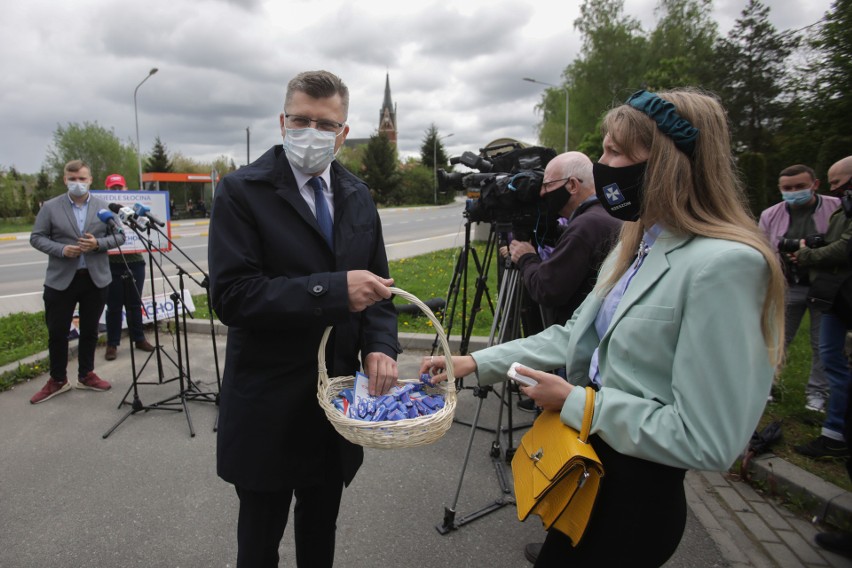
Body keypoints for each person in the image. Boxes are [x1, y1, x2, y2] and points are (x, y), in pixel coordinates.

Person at [421, 89, 785, 567]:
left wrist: (576, 401)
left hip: (634, 500)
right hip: (584, 472)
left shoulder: (726, 265)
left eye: (615, 152)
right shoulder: (634, 243)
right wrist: (472, 362)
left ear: (667, 163)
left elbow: (709, 439)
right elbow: (572, 336)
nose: (601, 164)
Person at [208, 70, 399, 568]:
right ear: (282, 121)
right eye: (301, 120)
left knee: (320, 533)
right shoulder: (241, 191)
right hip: (267, 402)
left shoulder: (358, 196)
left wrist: (382, 345)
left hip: (332, 403)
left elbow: (379, 289)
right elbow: (233, 297)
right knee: (259, 540)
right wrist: (334, 290)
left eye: (325, 123)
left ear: (343, 133)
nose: (311, 132)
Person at [29, 159, 126, 404]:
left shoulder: (104, 207)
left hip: (95, 279)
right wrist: (62, 250)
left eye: (82, 179)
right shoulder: (51, 207)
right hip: (61, 280)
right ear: (65, 180)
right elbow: (37, 237)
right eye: (72, 179)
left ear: (90, 180)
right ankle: (58, 380)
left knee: (90, 330)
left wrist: (98, 245)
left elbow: (120, 236)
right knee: (57, 332)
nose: (77, 184)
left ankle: (86, 374)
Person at [508, 151, 622, 329]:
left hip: (581, 335)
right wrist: (555, 233)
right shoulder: (608, 211)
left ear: (572, 185)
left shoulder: (586, 226)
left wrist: (526, 258)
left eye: (547, 185)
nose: (542, 193)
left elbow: (547, 289)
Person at [759, 165, 838, 412]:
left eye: (800, 187)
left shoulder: (835, 208)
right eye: (787, 188)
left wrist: (809, 254)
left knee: (821, 343)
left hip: (825, 286)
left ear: (814, 184)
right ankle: (764, 386)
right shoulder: (770, 214)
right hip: (787, 284)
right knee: (777, 338)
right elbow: (762, 247)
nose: (793, 192)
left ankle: (817, 394)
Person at [794, 156, 852, 460]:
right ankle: (834, 430)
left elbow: (845, 247)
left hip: (841, 294)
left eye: (838, 183)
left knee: (831, 357)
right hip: (833, 293)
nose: (834, 189)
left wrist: (806, 256)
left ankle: (836, 430)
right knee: (831, 357)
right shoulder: (843, 209)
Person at [103, 173, 154, 361]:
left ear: (125, 188)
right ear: (107, 189)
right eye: (112, 188)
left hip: (135, 262)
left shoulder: (133, 206)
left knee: (134, 303)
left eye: (119, 187)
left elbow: (144, 226)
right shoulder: (103, 208)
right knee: (114, 305)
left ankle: (139, 338)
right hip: (111, 264)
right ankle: (112, 344)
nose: (117, 191)